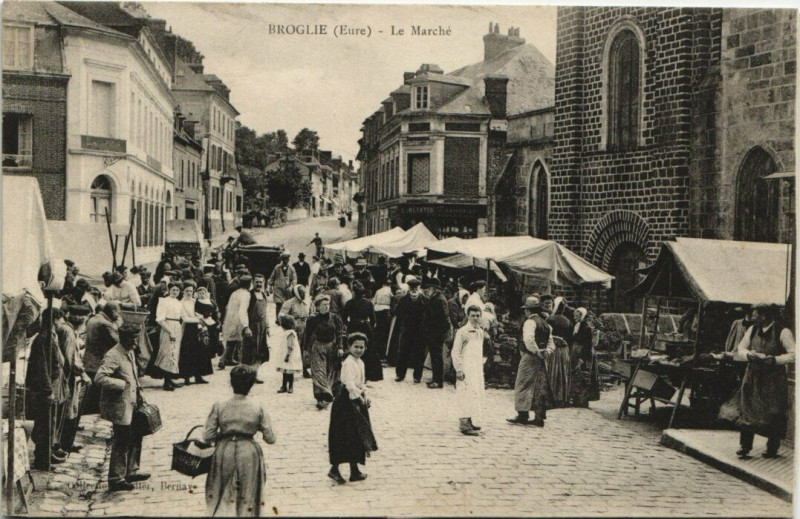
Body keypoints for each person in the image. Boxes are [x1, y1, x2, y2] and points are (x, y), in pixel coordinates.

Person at [721, 304, 795, 459]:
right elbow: (740, 348)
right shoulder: (752, 330)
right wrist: (748, 355)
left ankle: (772, 449)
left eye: (756, 315)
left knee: (774, 411)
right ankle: (745, 446)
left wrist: (775, 359)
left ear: (765, 316)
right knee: (747, 410)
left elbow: (794, 354)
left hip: (773, 378)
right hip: (753, 376)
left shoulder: (783, 332)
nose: (753, 318)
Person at [201, 365, 277, 516]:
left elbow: (207, 436)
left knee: (220, 492)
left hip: (224, 452)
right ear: (251, 384)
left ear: (231, 382)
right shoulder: (258, 406)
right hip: (249, 453)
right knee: (248, 495)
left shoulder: (219, 405)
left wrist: (223, 434)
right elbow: (271, 438)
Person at [95, 323, 150, 492]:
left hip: (132, 402)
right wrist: (121, 384)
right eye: (133, 339)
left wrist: (139, 391)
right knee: (122, 440)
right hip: (120, 405)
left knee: (135, 436)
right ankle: (116, 478)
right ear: (123, 338)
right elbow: (100, 377)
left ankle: (131, 471)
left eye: (136, 338)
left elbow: (132, 375)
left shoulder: (130, 352)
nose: (135, 342)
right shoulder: (113, 355)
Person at [327, 333, 378, 484]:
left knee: (357, 435)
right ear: (349, 347)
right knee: (343, 434)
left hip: (356, 401)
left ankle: (354, 470)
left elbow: (361, 383)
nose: (359, 350)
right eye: (356, 347)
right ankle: (334, 469)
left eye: (362, 347)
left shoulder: (360, 363)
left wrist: (366, 395)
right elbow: (349, 385)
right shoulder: (348, 363)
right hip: (345, 403)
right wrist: (360, 399)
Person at [27, 308, 69, 467]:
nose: (62, 323)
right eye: (60, 320)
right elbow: (42, 368)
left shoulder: (50, 337)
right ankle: (42, 459)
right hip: (46, 389)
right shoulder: (43, 339)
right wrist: (48, 390)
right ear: (54, 320)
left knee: (49, 422)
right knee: (44, 424)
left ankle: (47, 454)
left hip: (52, 386)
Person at [508, 296, 556, 427]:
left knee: (523, 384)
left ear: (528, 310)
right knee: (540, 386)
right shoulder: (546, 324)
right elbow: (552, 342)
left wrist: (536, 351)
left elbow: (528, 340)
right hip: (542, 358)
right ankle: (539, 417)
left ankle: (522, 415)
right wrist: (547, 351)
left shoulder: (530, 322)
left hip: (530, 356)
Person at [57, 305, 93, 454]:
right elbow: (70, 358)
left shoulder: (69, 330)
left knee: (71, 410)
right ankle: (64, 444)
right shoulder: (68, 332)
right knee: (68, 411)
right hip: (68, 377)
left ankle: (66, 443)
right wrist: (83, 374)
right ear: (80, 319)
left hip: (69, 376)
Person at [304, 295, 345, 409]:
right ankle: (322, 397)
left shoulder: (335, 318)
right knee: (318, 371)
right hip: (318, 347)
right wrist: (306, 350)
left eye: (328, 304)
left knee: (331, 372)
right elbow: (307, 335)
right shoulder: (312, 319)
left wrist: (341, 347)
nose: (327, 307)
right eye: (324, 305)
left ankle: (327, 394)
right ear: (317, 306)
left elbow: (340, 333)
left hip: (332, 347)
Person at [452, 305, 486, 436]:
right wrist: (459, 369)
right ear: (467, 316)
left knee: (475, 394)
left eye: (478, 315)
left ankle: (470, 419)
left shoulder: (480, 332)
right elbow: (456, 352)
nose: (475, 318)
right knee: (465, 394)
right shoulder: (463, 332)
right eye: (473, 315)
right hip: (466, 368)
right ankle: (464, 424)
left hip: (476, 368)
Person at [82, 302, 121, 415]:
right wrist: (117, 326)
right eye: (117, 313)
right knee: (97, 390)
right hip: (99, 360)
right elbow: (116, 342)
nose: (118, 315)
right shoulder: (105, 323)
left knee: (91, 390)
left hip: (89, 359)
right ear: (113, 311)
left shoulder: (93, 319)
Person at [153, 283, 193, 391]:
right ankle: (166, 381)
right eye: (173, 289)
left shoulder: (179, 303)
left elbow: (185, 317)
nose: (175, 292)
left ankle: (170, 378)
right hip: (167, 327)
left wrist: (201, 320)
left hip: (177, 327)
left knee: (175, 353)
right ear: (169, 290)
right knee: (168, 352)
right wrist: (170, 331)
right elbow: (160, 319)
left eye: (177, 290)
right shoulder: (163, 301)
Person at [343, 281, 382, 382]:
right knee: (368, 351)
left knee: (353, 348)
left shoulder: (349, 303)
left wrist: (350, 324)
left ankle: (353, 375)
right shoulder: (368, 303)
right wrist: (369, 327)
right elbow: (373, 320)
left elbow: (343, 318)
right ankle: (367, 375)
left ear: (354, 292)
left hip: (353, 327)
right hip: (365, 328)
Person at [394, 277, 428, 383]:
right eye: (412, 288)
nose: (414, 290)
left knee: (419, 354)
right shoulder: (403, 300)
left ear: (419, 288)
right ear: (408, 288)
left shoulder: (426, 300)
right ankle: (400, 375)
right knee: (402, 353)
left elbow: (430, 315)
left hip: (420, 331)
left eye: (416, 288)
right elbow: (396, 313)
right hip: (406, 330)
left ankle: (417, 376)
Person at [178, 282, 211, 386]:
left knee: (200, 351)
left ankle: (198, 375)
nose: (189, 293)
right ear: (183, 291)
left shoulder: (194, 301)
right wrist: (198, 320)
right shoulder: (181, 303)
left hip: (197, 328)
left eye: (191, 291)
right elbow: (185, 318)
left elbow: (200, 311)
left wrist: (202, 318)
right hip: (187, 329)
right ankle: (187, 377)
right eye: (187, 291)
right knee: (188, 352)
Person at [422, 278, 451, 389]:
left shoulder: (439, 300)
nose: (427, 290)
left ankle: (438, 381)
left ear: (433, 289)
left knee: (437, 357)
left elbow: (444, 318)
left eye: (428, 288)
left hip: (436, 333)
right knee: (435, 357)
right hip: (433, 332)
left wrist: (442, 333)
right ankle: (435, 379)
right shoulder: (436, 298)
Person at [219, 275, 252, 370]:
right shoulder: (246, 294)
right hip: (239, 319)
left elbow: (227, 306)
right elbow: (243, 310)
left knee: (231, 341)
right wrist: (245, 325)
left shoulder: (235, 292)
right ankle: (241, 362)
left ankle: (225, 358)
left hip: (230, 318)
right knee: (241, 341)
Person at [546, 298, 574, 408]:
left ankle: (551, 396)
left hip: (554, 348)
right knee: (562, 372)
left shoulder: (550, 319)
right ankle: (561, 397)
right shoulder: (568, 321)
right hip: (564, 350)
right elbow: (570, 338)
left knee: (552, 371)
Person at [569, 307, 600, 408]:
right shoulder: (577, 325)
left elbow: (587, 344)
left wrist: (582, 358)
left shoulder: (586, 327)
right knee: (576, 375)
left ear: (582, 316)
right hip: (576, 353)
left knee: (583, 376)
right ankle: (576, 398)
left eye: (577, 315)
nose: (575, 317)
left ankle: (583, 400)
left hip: (583, 354)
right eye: (574, 315)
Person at [279, 285, 311, 377]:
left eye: (304, 293)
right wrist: (288, 327)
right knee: (292, 350)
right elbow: (281, 316)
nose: (303, 295)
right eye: (301, 293)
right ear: (296, 293)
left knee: (304, 349)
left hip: (304, 329)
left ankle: (304, 368)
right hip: (294, 330)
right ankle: (289, 371)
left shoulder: (306, 303)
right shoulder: (289, 303)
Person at [244, 274, 270, 383]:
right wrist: (246, 327)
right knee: (251, 352)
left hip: (262, 326)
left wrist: (267, 327)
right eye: (257, 282)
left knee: (261, 351)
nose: (259, 284)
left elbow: (265, 312)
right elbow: (244, 312)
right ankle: (248, 376)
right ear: (252, 282)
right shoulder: (249, 295)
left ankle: (254, 374)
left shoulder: (264, 295)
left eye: (261, 282)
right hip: (253, 326)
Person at [275, 315, 302, 393]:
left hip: (289, 356)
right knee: (285, 371)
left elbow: (290, 346)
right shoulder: (286, 332)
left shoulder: (290, 333)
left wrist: (287, 355)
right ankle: (284, 386)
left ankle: (290, 386)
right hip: (286, 355)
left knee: (289, 372)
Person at [195, 285, 222, 361]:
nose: (201, 295)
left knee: (214, 337)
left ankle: (213, 352)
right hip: (202, 320)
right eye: (200, 293)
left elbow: (216, 311)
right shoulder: (196, 302)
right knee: (206, 337)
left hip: (211, 320)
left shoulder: (211, 301)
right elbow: (196, 312)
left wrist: (217, 321)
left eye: (203, 293)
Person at [268, 252, 297, 323]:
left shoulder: (292, 268)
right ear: (282, 259)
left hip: (287, 290)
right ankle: (278, 319)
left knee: (287, 304)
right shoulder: (277, 267)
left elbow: (294, 279)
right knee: (278, 304)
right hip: (278, 289)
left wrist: (291, 286)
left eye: (287, 259)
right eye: (284, 259)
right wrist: (269, 286)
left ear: (289, 260)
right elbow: (272, 277)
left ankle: (285, 318)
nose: (286, 260)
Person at [372, 278, 393, 361]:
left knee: (378, 332)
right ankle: (383, 354)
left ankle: (376, 352)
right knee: (385, 333)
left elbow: (374, 301)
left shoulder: (378, 291)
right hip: (386, 310)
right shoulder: (390, 291)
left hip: (377, 310)